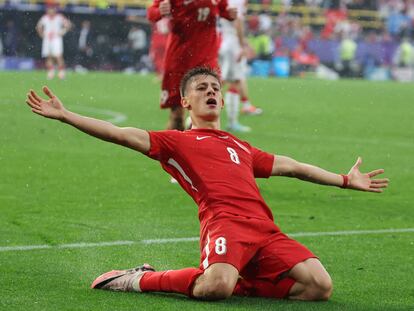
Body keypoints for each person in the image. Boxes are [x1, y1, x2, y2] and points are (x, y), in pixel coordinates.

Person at [25, 67, 388, 301]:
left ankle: (234, 278)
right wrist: (67, 116)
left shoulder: (239, 145)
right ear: (185, 101)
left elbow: (292, 166)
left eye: (215, 87)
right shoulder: (176, 141)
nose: (212, 92)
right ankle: (138, 279)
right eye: (201, 88)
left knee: (318, 287)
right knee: (214, 287)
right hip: (224, 224)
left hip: (265, 230)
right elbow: (120, 134)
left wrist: (344, 180)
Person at [147, 0, 237, 131]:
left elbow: (223, 9)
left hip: (207, 58)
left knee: (208, 114)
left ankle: (199, 145)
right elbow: (151, 13)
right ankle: (174, 147)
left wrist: (229, 14)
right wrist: (159, 11)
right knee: (177, 116)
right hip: (179, 60)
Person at [219, 0, 262, 133]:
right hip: (233, 46)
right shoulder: (238, 2)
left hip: (225, 42)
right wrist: (242, 46)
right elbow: (238, 23)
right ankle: (232, 122)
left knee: (226, 80)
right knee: (234, 82)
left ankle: (197, 108)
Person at [36, 5, 71, 80]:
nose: (50, 11)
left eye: (52, 9)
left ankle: (61, 73)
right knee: (48, 56)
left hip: (56, 39)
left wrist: (62, 32)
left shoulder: (59, 17)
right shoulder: (44, 18)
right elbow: (38, 26)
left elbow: (68, 25)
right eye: (49, 9)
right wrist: (42, 34)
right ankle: (50, 72)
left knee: (58, 56)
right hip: (47, 39)